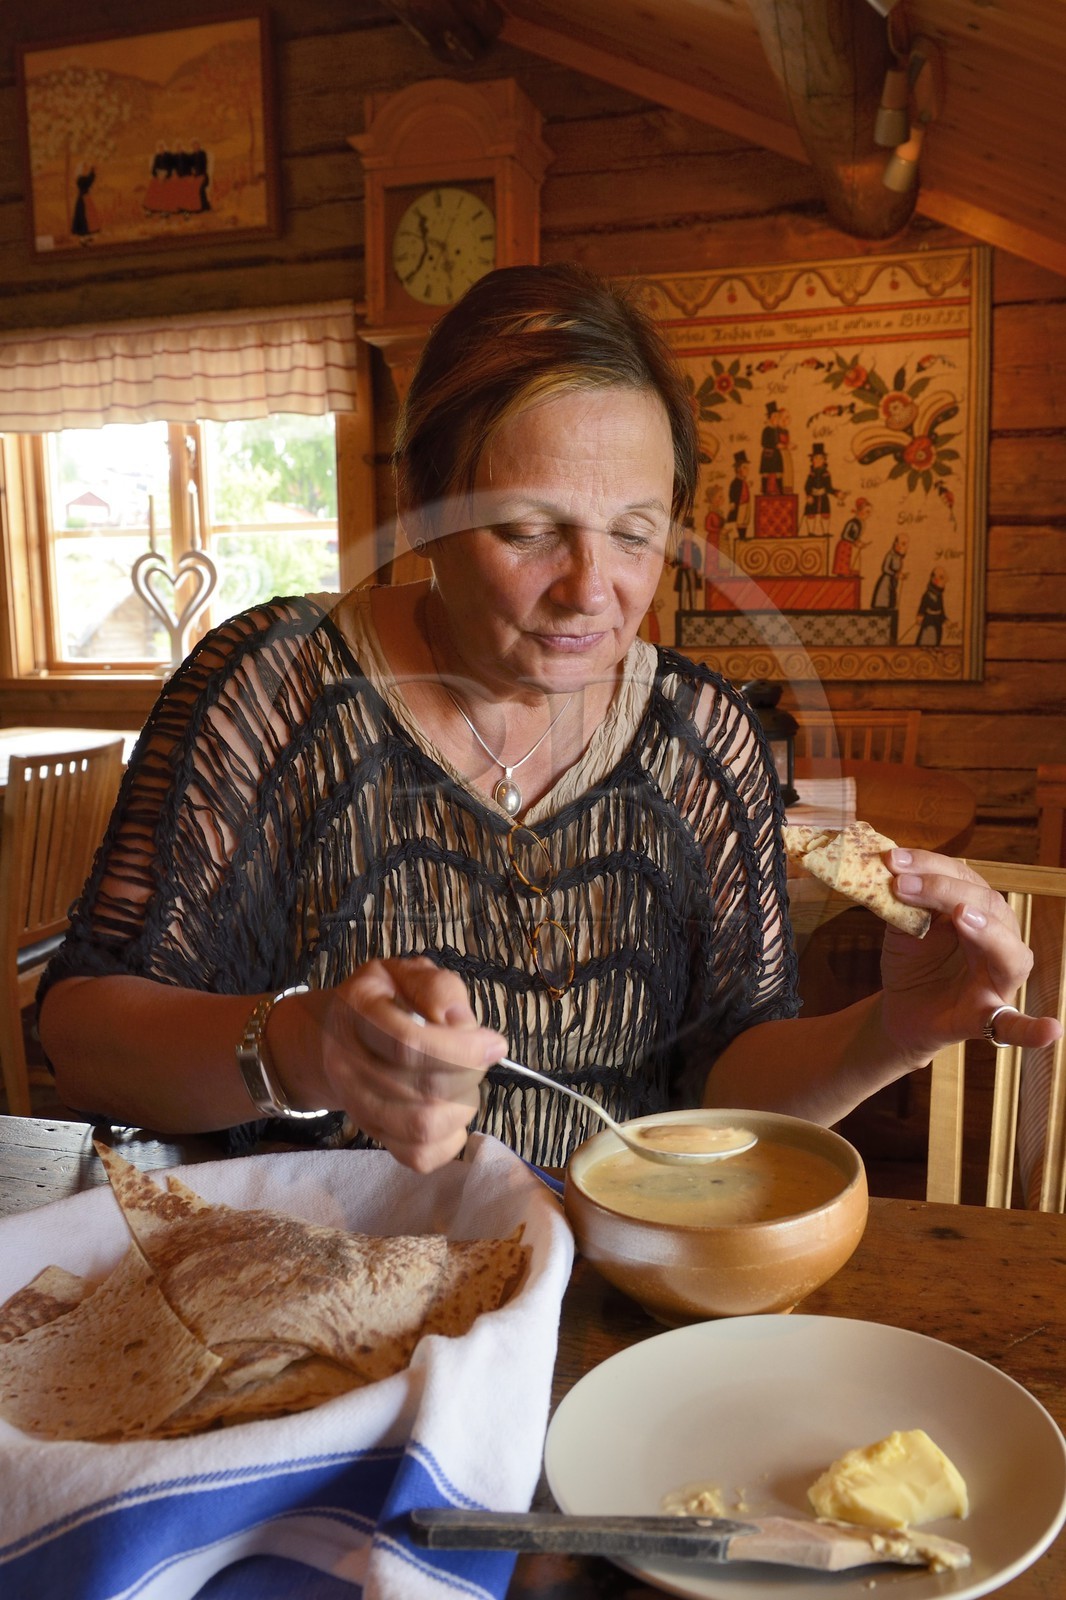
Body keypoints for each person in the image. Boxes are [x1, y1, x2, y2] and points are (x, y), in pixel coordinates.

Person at [38, 264, 1060, 1175]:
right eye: (529, 530)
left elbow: (726, 1081)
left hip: (611, 1279)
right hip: (308, 1272)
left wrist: (892, 1032)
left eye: (634, 534)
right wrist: (305, 1047)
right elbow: (81, 1037)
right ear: (422, 508)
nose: (590, 590)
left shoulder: (704, 739)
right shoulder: (271, 691)